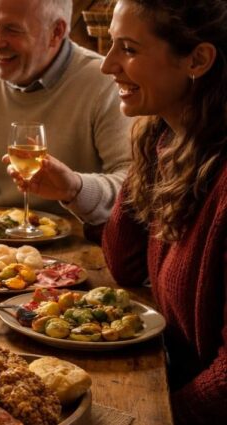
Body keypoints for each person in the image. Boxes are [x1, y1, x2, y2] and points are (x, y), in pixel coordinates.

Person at [100, 1, 226, 423]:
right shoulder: (171, 141)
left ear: (198, 59)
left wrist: (153, 416)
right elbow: (124, 264)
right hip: (169, 383)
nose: (107, 65)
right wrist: (151, 143)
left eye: (129, 49)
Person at [0, 0, 132, 225]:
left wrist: (75, 188)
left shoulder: (103, 82)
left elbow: (132, 182)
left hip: (82, 240)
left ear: (56, 32)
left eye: (12, 29)